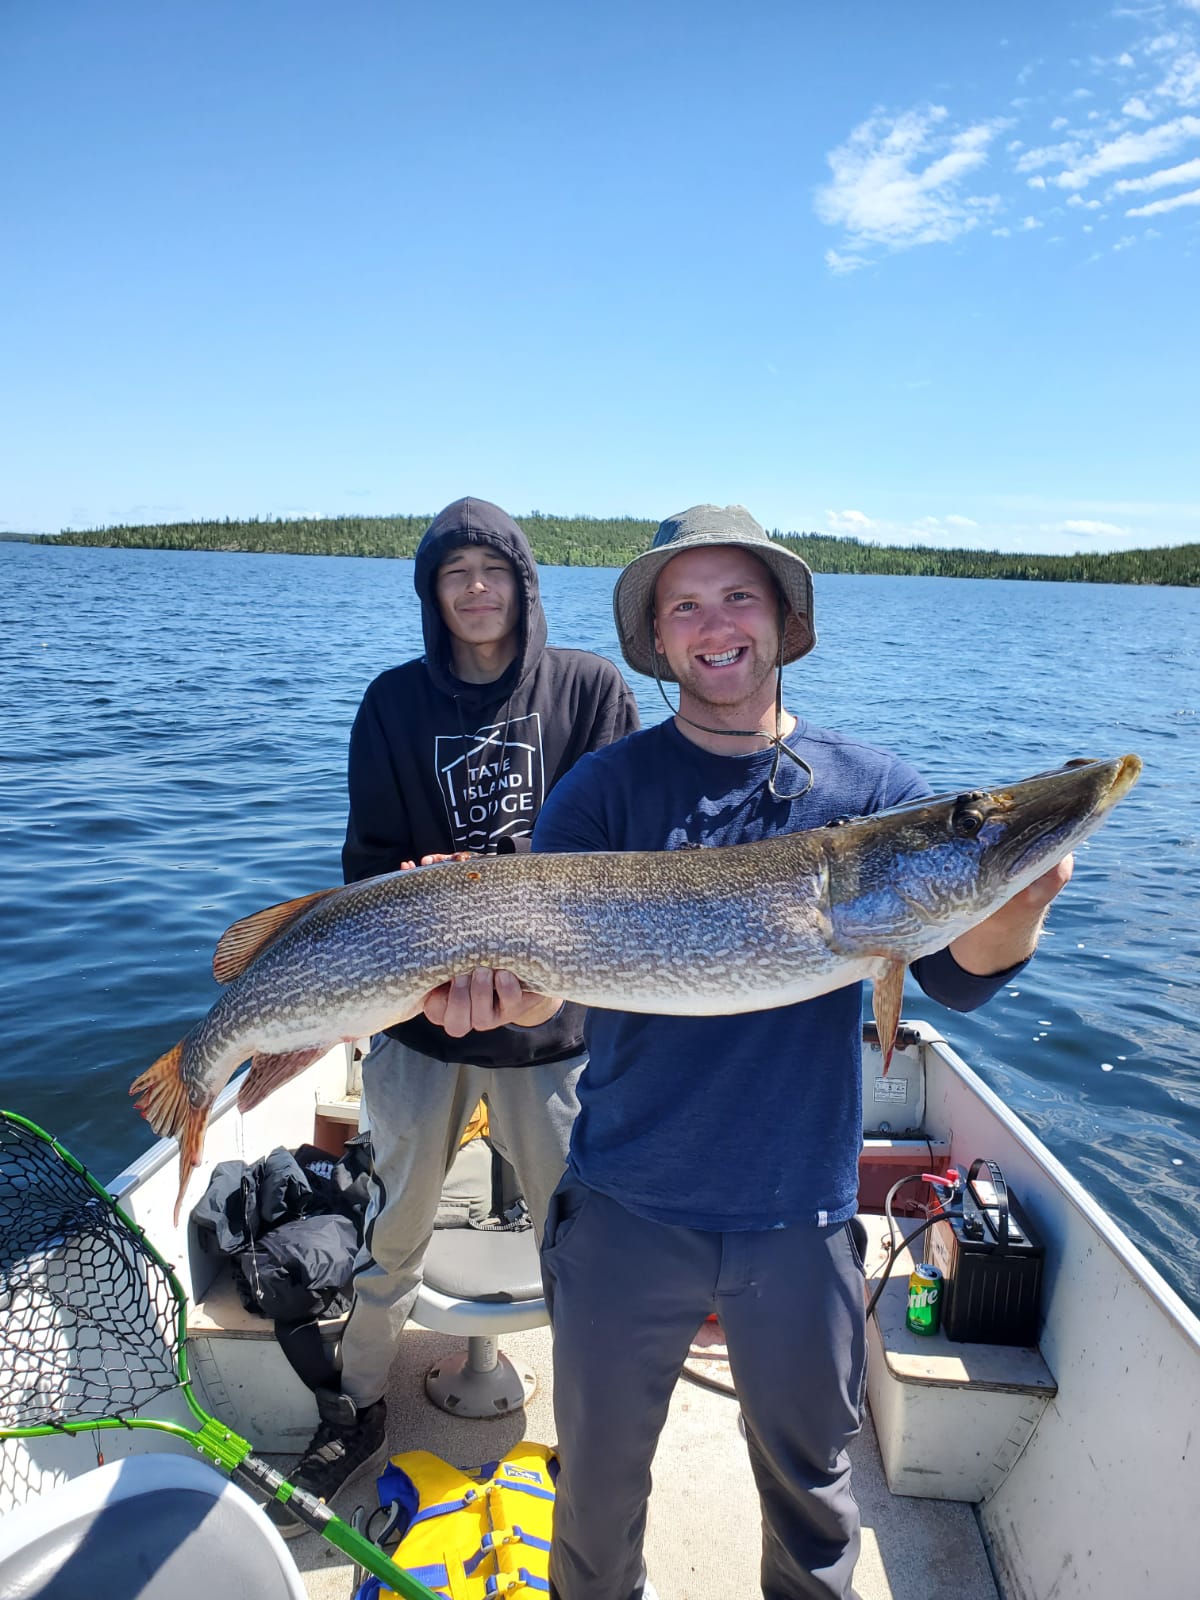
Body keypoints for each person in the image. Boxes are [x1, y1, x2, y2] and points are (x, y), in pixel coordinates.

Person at [464, 504, 1071, 1600]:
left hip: (801, 1213)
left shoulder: (873, 792)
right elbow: (543, 988)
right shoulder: (603, 790)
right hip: (624, 1203)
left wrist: (1018, 900)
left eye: (738, 596)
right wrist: (499, 996)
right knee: (594, 1492)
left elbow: (954, 974)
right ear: (659, 638)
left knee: (814, 1498)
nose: (716, 625)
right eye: (685, 605)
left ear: (783, 618)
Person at [267, 496, 638, 1537]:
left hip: (552, 1030)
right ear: (432, 592)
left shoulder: (590, 689)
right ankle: (357, 1407)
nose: (476, 589)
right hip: (417, 1016)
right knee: (393, 1237)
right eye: (454, 572)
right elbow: (365, 864)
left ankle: (597, 1431)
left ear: (525, 580)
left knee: (584, 1242)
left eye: (493, 569)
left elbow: (617, 854)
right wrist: (413, 890)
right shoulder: (391, 702)